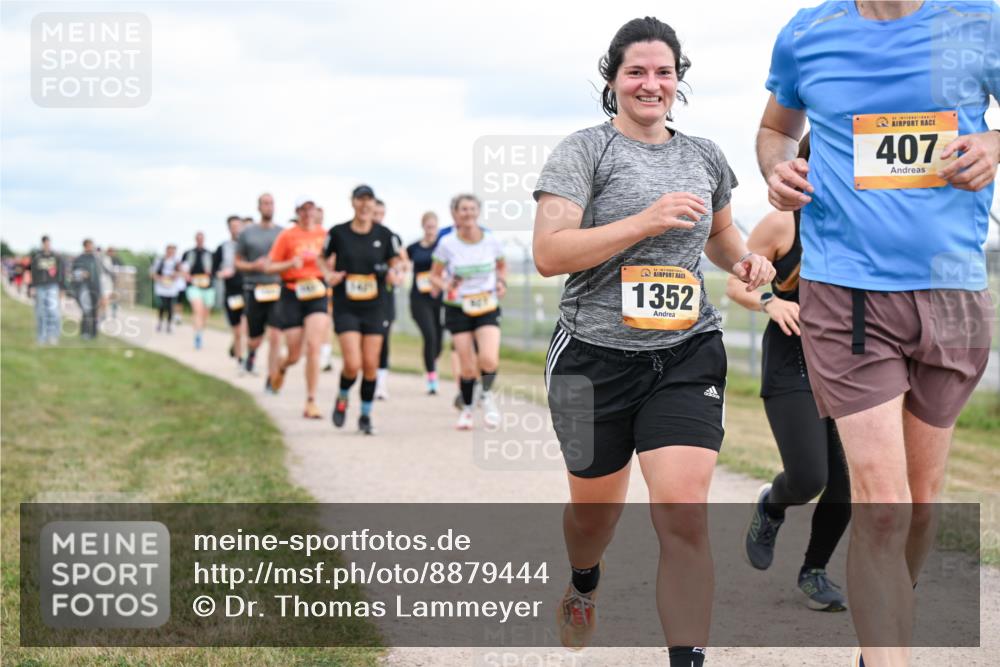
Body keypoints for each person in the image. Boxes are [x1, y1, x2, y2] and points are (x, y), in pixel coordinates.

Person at [759, 3, 997, 664]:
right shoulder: (808, 33)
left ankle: (883, 626)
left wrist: (995, 143)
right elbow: (776, 129)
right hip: (846, 292)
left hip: (951, 290)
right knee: (883, 507)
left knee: (922, 506)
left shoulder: (981, 20)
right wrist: (776, 166)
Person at [532, 17, 775, 664]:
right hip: (593, 356)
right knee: (594, 519)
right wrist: (642, 220)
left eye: (663, 72)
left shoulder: (702, 157)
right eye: (636, 71)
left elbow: (721, 238)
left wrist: (748, 259)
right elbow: (550, 253)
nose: (650, 83)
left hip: (685, 352)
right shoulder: (584, 152)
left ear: (678, 80)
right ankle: (585, 577)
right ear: (612, 80)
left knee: (683, 511)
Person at [725, 135, 852, 613]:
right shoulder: (782, 223)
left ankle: (814, 570)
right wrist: (770, 300)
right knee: (809, 476)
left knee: (849, 483)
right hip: (792, 361)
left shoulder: (861, 223)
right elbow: (738, 282)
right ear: (804, 167)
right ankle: (772, 505)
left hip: (848, 365)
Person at [324, 185, 404, 435]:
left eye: (368, 200)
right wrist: (328, 275)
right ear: (353, 202)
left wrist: (395, 275)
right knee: (352, 363)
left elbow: (397, 263)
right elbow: (321, 258)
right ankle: (343, 396)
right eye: (360, 199)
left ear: (373, 204)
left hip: (375, 306)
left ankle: (366, 416)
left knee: (370, 364)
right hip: (346, 305)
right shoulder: (338, 232)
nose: (364, 204)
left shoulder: (384, 233)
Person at [431, 195, 506, 430]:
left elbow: (501, 266)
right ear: (455, 213)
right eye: (463, 209)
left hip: (486, 305)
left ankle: (486, 396)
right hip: (458, 308)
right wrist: (447, 287)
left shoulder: (491, 241)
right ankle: (466, 409)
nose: (468, 213)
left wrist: (502, 282)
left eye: (472, 209)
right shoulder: (447, 243)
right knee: (467, 366)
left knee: (488, 359)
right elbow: (434, 275)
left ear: (478, 212)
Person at [266, 196, 331, 419]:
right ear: (297, 212)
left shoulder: (325, 235)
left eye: (311, 208)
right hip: (292, 292)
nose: (307, 213)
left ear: (316, 211)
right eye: (303, 209)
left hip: (317, 292)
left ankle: (311, 401)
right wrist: (289, 264)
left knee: (314, 346)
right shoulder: (287, 235)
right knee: (295, 353)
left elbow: (335, 261)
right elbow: (269, 266)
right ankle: (282, 367)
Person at [236, 193, 284, 382]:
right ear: (258, 207)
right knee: (255, 338)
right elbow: (238, 263)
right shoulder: (247, 233)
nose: (268, 207)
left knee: (275, 335)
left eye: (271, 203)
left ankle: (271, 378)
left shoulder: (282, 233)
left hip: (276, 287)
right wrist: (253, 266)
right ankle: (251, 352)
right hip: (254, 287)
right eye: (265, 203)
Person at [407, 211, 445, 394]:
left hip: (438, 298)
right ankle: (432, 379)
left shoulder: (443, 246)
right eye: (428, 227)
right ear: (423, 227)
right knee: (429, 335)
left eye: (434, 227)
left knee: (438, 340)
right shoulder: (414, 247)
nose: (431, 230)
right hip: (419, 298)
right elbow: (400, 261)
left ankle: (431, 362)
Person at [373, 198, 407, 400]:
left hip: (385, 297)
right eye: (374, 213)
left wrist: (399, 274)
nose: (377, 218)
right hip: (362, 298)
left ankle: (381, 382)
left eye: (380, 214)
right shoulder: (356, 236)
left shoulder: (391, 237)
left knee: (384, 339)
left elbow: (403, 262)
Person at [215, 215, 247, 367]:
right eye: (233, 226)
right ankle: (240, 357)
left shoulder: (248, 245)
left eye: (238, 226)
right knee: (237, 329)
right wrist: (222, 273)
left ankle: (244, 356)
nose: (236, 229)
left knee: (246, 326)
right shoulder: (222, 248)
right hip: (232, 293)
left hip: (248, 290)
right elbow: (214, 271)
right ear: (228, 229)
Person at [180, 232, 215, 349]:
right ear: (195, 239)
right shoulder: (188, 253)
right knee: (197, 310)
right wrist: (187, 276)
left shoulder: (210, 254)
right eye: (198, 238)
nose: (200, 240)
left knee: (205, 313)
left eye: (202, 238)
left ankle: (200, 331)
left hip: (207, 286)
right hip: (193, 285)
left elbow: (216, 270)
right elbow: (182, 268)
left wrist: (211, 272)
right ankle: (197, 335)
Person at [29, 235, 64, 345]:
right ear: (42, 244)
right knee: (40, 312)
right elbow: (33, 273)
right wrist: (32, 286)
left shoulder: (56, 257)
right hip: (40, 287)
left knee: (54, 312)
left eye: (48, 243)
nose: (47, 245)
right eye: (45, 243)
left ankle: (53, 336)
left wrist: (61, 288)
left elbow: (60, 273)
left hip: (53, 286)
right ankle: (42, 337)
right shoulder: (37, 257)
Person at [70, 239, 104, 340]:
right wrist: (81, 274)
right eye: (90, 245)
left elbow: (99, 276)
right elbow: (74, 274)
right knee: (86, 311)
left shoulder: (96, 259)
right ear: (85, 246)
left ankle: (93, 333)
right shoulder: (79, 259)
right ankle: (84, 333)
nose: (92, 247)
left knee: (94, 312)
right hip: (84, 288)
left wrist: (101, 292)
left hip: (95, 288)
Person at [151, 244, 182, 333]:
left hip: (172, 287)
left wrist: (175, 275)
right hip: (161, 287)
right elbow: (153, 273)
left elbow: (181, 273)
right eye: (169, 250)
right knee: (161, 306)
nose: (171, 253)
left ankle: (169, 324)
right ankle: (160, 322)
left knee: (170, 307)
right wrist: (160, 278)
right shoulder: (159, 260)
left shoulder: (177, 262)